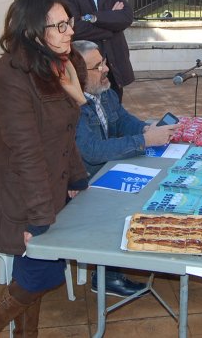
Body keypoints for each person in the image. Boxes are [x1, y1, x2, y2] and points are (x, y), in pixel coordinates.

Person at [0, 0, 89, 338]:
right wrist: (38, 215)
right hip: (25, 196)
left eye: (70, 23)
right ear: (33, 32)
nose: (69, 32)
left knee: (34, 272)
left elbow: (63, 133)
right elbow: (26, 153)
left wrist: (77, 177)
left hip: (52, 189)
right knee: (41, 275)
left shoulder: (55, 68)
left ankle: (22, 335)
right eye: (60, 26)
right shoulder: (11, 78)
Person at [72, 40, 177, 297]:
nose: (106, 69)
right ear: (78, 75)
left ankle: (144, 249)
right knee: (130, 200)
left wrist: (145, 129)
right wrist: (143, 141)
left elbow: (123, 120)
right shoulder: (72, 106)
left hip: (107, 169)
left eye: (104, 61)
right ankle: (107, 275)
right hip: (83, 181)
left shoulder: (103, 92)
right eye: (98, 66)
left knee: (159, 182)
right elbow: (92, 151)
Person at [56, 0, 135, 101]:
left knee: (115, 111)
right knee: (88, 113)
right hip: (86, 65)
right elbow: (76, 28)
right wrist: (112, 23)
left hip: (113, 63)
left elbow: (126, 17)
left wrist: (93, 17)